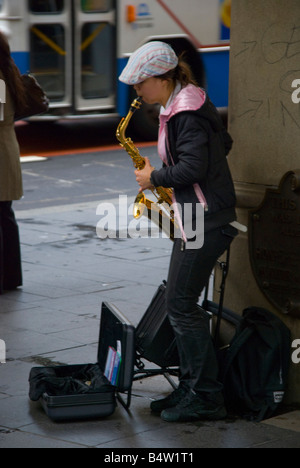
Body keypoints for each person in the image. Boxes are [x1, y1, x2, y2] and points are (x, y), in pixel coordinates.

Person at [119, 41, 238, 422]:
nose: (136, 91)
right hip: (200, 216)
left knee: (182, 307)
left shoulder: (185, 112)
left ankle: (205, 395)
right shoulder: (188, 103)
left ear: (164, 78)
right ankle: (191, 387)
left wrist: (154, 176)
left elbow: (193, 169)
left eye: (141, 83)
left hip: (204, 220)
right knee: (180, 304)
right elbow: (224, 142)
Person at [0, 31, 24, 294]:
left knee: (2, 215)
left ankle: (4, 278)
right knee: (5, 215)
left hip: (1, 153)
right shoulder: (8, 72)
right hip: (6, 149)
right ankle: (11, 277)